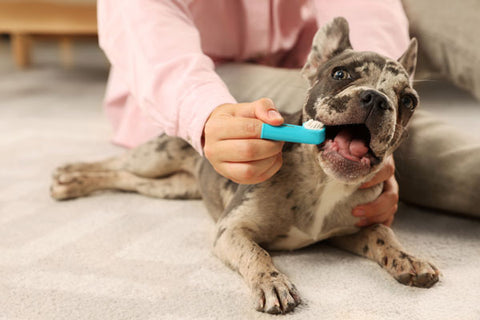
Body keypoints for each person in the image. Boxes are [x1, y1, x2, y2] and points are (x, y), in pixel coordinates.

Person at [96, 0, 479, 226]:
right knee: (337, 119)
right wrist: (208, 113)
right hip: (205, 75)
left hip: (310, 53)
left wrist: (380, 94)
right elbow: (143, 22)